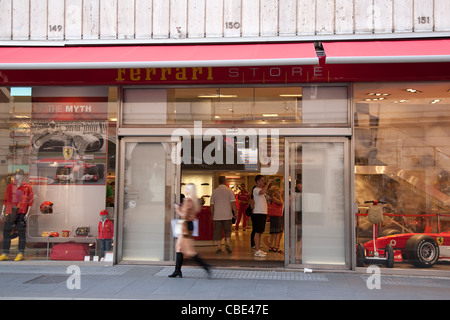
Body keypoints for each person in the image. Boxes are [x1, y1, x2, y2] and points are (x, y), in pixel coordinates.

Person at [169, 183, 211, 278]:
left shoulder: (188, 200)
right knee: (179, 248)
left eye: (186, 189)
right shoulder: (193, 201)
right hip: (187, 226)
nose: (184, 190)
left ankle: (206, 266)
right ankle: (177, 270)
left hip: (185, 227)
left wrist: (177, 208)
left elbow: (183, 215)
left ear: (189, 190)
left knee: (189, 252)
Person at [0, 169, 34, 261]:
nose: (18, 176)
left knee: (21, 232)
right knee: (6, 231)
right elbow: (6, 200)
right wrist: (3, 212)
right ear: (15, 175)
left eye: (20, 174)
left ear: (23, 176)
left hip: (21, 212)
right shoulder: (10, 187)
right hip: (11, 211)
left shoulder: (27, 187)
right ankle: (5, 253)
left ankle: (20, 253)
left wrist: (27, 213)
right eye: (17, 174)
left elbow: (30, 201)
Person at [210, 176, 237, 254]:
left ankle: (219, 247)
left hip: (217, 216)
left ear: (218, 181)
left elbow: (212, 205)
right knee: (228, 230)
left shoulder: (214, 191)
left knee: (217, 231)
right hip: (227, 215)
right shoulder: (229, 191)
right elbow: (233, 204)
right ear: (225, 181)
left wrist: (212, 215)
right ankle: (227, 244)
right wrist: (235, 213)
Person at [253, 175, 272, 257]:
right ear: (257, 181)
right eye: (262, 180)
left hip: (263, 213)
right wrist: (268, 184)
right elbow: (262, 192)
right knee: (257, 232)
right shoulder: (256, 189)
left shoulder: (262, 191)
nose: (263, 182)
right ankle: (257, 250)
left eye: (264, 180)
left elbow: (268, 198)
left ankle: (258, 249)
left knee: (260, 232)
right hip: (258, 213)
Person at [266, 186, 284, 253]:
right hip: (277, 216)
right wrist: (280, 196)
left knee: (273, 232)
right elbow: (281, 202)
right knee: (277, 232)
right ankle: (276, 246)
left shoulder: (270, 198)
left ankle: (271, 246)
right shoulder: (273, 198)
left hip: (273, 216)